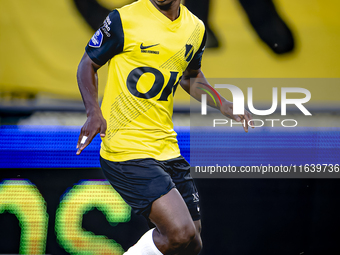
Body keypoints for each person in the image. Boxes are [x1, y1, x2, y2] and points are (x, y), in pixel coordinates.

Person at [76, 0, 253, 254]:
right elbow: (87, 64)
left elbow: (190, 77)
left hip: (166, 147)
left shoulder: (195, 28)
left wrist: (222, 104)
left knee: (192, 243)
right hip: (126, 149)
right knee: (180, 232)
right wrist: (94, 112)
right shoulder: (123, 19)